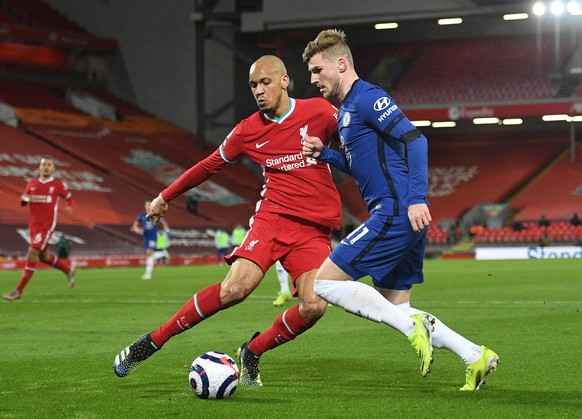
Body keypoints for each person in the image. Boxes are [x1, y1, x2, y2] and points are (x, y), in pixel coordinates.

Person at [113, 55, 417, 388]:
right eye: (253, 85)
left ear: (284, 81)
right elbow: (208, 165)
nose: (259, 90)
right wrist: (164, 196)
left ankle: (252, 351)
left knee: (314, 306)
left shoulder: (319, 112)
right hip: (271, 220)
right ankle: (154, 340)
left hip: (313, 230)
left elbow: (356, 149)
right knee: (234, 289)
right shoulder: (248, 130)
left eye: (265, 82)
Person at [301, 29, 499, 391]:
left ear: (340, 64)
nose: (313, 79)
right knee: (398, 307)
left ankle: (414, 330)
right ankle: (475, 355)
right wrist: (324, 153)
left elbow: (415, 139)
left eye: (317, 70)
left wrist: (417, 198)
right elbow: (359, 163)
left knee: (325, 282)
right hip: (398, 214)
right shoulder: (347, 110)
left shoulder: (367, 97)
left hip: (395, 211)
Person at [3, 158, 76, 301]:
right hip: (33, 226)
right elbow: (23, 202)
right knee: (44, 256)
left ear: (53, 168)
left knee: (31, 254)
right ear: (40, 167)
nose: (46, 167)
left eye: (49, 165)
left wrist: (69, 206)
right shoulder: (32, 184)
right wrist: (24, 199)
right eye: (44, 165)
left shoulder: (57, 185)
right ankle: (68, 271)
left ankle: (18, 291)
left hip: (46, 226)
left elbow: (70, 198)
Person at [231, 223, 290, 304]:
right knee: (281, 259)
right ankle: (284, 290)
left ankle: (292, 291)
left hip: (296, 229)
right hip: (279, 228)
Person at [132, 200, 169, 280]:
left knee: (149, 253)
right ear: (145, 206)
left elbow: (163, 222)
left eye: (149, 205)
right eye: (146, 205)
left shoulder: (155, 214)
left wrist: (167, 231)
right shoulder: (142, 215)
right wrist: (136, 229)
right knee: (149, 255)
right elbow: (135, 224)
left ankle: (148, 275)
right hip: (145, 236)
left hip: (152, 236)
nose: (148, 206)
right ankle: (161, 254)